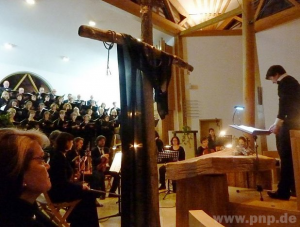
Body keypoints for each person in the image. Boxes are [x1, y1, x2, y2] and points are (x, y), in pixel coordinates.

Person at [0, 128, 56, 227]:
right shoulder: (14, 220)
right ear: (19, 172)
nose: (47, 166)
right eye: (41, 159)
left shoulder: (28, 208)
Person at [48, 132, 100, 227]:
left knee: (85, 191)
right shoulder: (59, 158)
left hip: (58, 190)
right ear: (66, 142)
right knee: (88, 194)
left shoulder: (59, 155)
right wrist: (80, 186)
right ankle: (87, 224)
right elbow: (62, 182)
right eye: (71, 141)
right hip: (58, 193)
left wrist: (79, 184)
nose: (72, 144)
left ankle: (77, 222)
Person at [265, 65, 300, 200]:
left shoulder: (285, 83)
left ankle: (283, 191)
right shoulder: (293, 82)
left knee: (285, 158)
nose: (273, 82)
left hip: (289, 124)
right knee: (292, 159)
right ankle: (294, 188)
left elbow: (284, 106)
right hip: (295, 123)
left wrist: (277, 125)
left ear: (276, 74)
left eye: (272, 79)